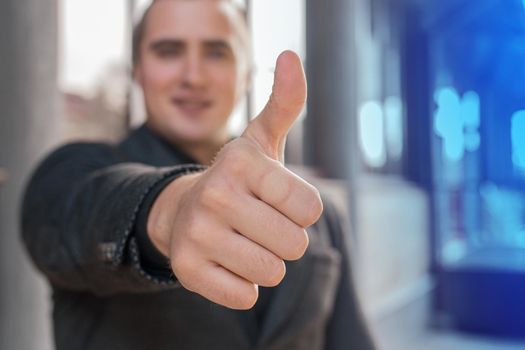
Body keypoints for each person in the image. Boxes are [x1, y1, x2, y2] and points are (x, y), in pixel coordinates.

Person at [21, 0, 375, 349]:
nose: (193, 76)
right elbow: (81, 210)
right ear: (137, 70)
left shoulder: (319, 213)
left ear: (247, 74)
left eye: (216, 52)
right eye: (168, 51)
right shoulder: (76, 172)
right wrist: (172, 212)